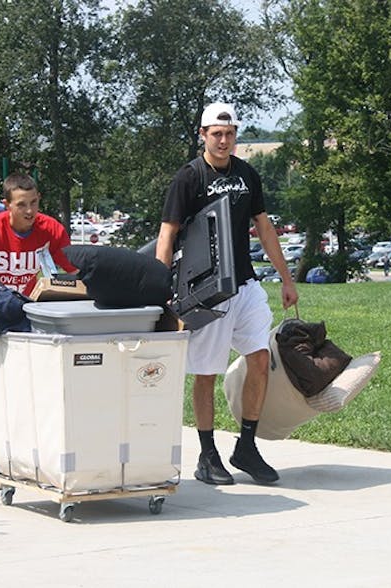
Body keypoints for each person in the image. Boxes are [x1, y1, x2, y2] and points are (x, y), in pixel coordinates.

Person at [156, 102, 298, 486]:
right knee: (206, 373)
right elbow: (168, 234)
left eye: (230, 134)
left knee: (259, 358)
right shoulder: (188, 178)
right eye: (216, 134)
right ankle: (207, 454)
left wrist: (286, 278)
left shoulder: (247, 174)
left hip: (246, 284)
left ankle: (246, 447)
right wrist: (159, 287)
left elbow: (264, 228)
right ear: (203, 135)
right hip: (207, 291)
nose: (223, 140)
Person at [0, 172, 76, 343]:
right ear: (7, 205)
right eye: (21, 205)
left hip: (29, 307)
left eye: (34, 202)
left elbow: (75, 269)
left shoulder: (51, 229)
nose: (30, 211)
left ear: (39, 197)